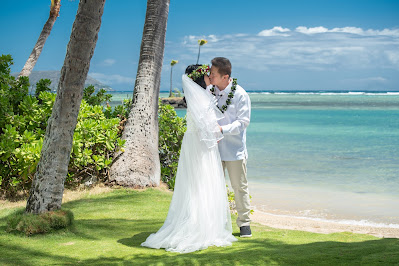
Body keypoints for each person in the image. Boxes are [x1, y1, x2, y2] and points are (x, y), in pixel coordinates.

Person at [141, 67, 237, 253]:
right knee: (198, 183)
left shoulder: (203, 94)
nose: (211, 76)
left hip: (198, 143)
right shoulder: (200, 98)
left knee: (201, 183)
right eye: (207, 74)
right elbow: (204, 124)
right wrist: (216, 133)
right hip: (199, 144)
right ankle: (197, 226)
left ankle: (205, 224)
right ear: (200, 78)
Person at [204, 57, 252, 237]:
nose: (210, 76)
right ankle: (215, 223)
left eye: (213, 74)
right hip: (213, 150)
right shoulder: (210, 91)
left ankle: (244, 224)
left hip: (234, 150)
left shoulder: (240, 94)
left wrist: (222, 129)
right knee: (213, 187)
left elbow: (243, 122)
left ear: (225, 76)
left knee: (239, 187)